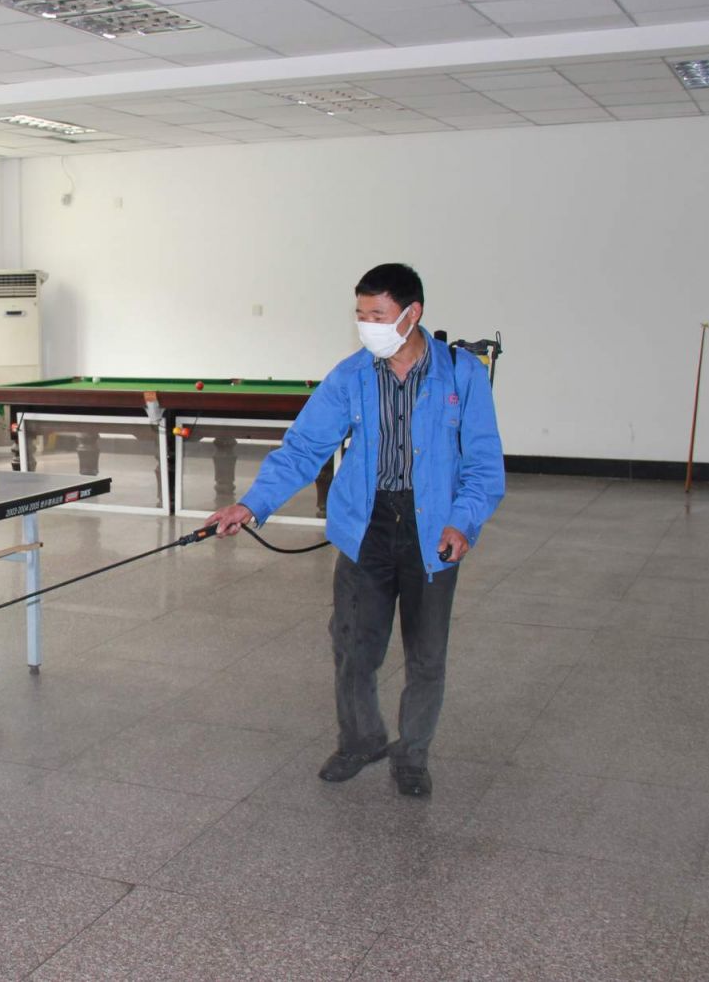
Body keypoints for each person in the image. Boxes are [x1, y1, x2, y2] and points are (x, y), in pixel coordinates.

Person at [205, 263, 504, 798]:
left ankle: (412, 756)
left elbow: (483, 465)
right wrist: (251, 504)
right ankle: (361, 739)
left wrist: (463, 523)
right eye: (361, 314)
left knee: (426, 656)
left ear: (412, 314)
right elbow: (303, 448)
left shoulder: (462, 376)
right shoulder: (351, 376)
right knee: (352, 646)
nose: (368, 325)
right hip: (366, 526)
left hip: (434, 530)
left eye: (378, 315)